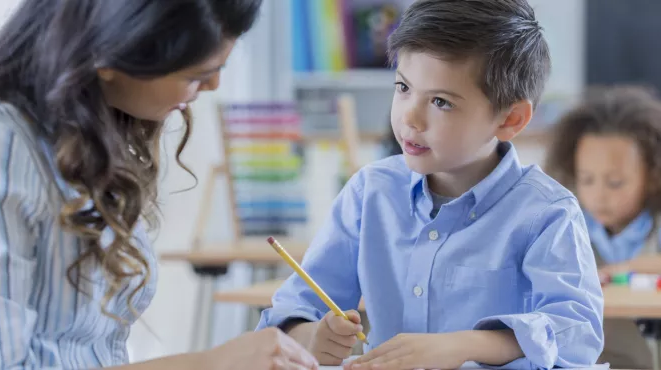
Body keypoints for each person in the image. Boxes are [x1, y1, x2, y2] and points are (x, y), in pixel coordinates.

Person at [256, 0, 604, 369]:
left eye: (441, 101)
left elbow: (577, 332)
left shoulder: (546, 213)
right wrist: (309, 335)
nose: (410, 117)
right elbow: (295, 308)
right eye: (403, 87)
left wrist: (467, 346)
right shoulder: (369, 193)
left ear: (510, 118)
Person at [0, 1, 319, 369]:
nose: (213, 85)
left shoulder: (89, 139)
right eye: (194, 75)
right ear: (106, 55)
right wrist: (206, 364)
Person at [545, 85, 661, 369]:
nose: (599, 196)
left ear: (652, 176)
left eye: (615, 182)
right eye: (587, 180)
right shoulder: (568, 225)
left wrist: (625, 269)